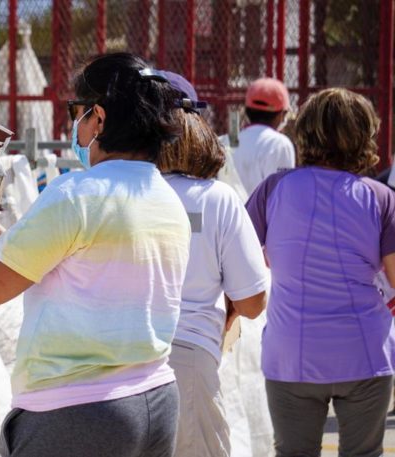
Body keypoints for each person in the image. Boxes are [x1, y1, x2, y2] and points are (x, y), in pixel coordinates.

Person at [0, 53, 191, 457]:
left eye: (76, 112)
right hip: (155, 399)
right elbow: (55, 261)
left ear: (98, 118)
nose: (73, 124)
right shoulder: (166, 199)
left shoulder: (77, 194)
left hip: (77, 413)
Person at [246, 88, 395, 456]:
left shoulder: (273, 190)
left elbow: (240, 262)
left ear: (304, 131)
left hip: (290, 352)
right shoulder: (381, 198)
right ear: (363, 136)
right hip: (365, 354)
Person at [156, 72, 269, 457]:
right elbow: (254, 301)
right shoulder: (216, 199)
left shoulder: (109, 193)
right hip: (188, 359)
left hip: (111, 363)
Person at [228, 77, 296, 196]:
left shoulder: (229, 140)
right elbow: (280, 196)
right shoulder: (279, 143)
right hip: (261, 214)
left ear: (248, 110)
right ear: (281, 114)